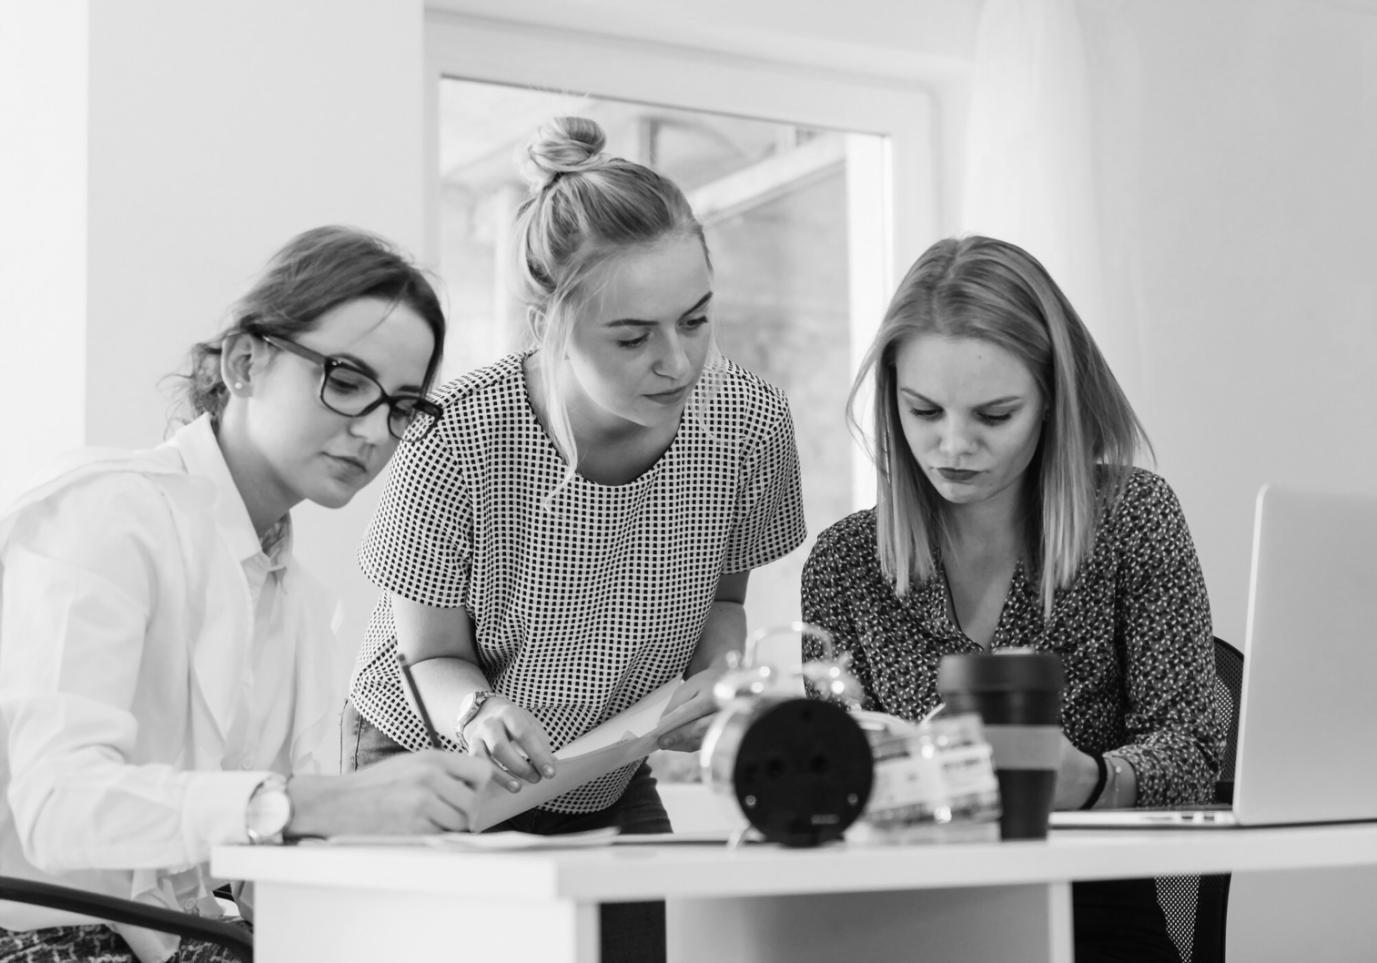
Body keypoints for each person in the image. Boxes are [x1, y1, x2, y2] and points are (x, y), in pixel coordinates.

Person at [343, 117, 806, 962]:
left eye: (696, 320)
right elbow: (430, 657)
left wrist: (720, 679)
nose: (677, 361)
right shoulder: (457, 436)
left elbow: (724, 600)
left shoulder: (748, 424)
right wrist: (481, 715)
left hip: (603, 765)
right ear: (543, 319)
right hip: (435, 757)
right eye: (631, 337)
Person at [0, 226, 495, 963]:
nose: (370, 432)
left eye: (400, 407)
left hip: (190, 941)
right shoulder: (107, 515)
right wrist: (313, 803)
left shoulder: (296, 600)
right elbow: (59, 807)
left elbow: (282, 872)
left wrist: (420, 850)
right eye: (347, 380)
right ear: (244, 362)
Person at [801, 235, 1222, 962]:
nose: (952, 445)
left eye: (993, 415)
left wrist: (1090, 780)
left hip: (1091, 909)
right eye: (923, 410)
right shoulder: (843, 563)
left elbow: (1190, 748)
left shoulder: (1133, 517)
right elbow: (828, 785)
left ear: (1052, 403)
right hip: (901, 920)